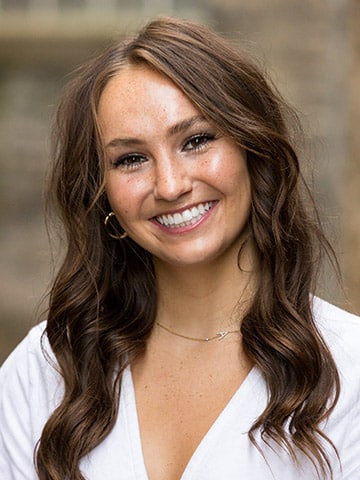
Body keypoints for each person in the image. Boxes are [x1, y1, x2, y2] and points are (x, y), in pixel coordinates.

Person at [0, 16, 359, 480]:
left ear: (253, 149)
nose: (169, 185)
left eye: (196, 140)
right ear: (100, 190)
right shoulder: (44, 370)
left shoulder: (349, 371)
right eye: (131, 159)